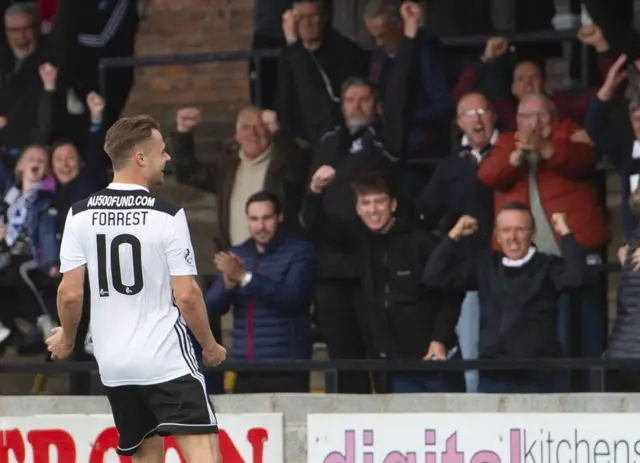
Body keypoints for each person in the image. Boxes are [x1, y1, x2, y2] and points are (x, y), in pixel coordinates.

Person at [46, 115, 227, 461]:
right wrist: (209, 345)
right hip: (165, 359)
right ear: (140, 158)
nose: (168, 158)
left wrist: (68, 339)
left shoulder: (79, 214)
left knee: (145, 454)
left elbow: (70, 294)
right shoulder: (167, 215)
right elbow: (187, 295)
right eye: (162, 151)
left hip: (115, 365)